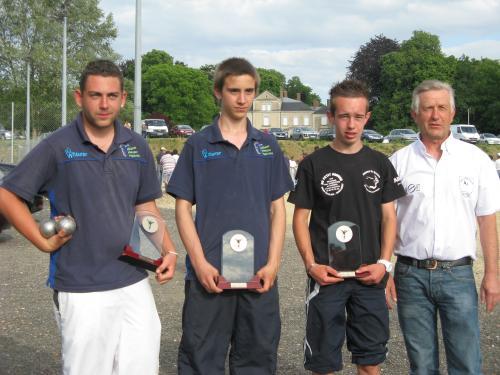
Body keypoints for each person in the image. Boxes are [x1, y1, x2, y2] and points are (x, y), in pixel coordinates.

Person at [0, 60, 177, 375]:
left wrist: (168, 250)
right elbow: (7, 194)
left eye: (112, 95)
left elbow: (146, 209)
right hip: (82, 288)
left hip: (134, 280)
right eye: (96, 95)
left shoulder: (136, 145)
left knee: (143, 368)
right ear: (79, 97)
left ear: (123, 99)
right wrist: (42, 242)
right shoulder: (58, 145)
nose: (104, 104)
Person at [167, 57, 293, 374]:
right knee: (200, 361)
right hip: (209, 275)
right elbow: (183, 209)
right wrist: (199, 263)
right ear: (218, 92)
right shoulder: (198, 144)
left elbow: (279, 209)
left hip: (259, 275)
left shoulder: (268, 146)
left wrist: (274, 263)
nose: (242, 99)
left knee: (257, 361)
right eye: (234, 90)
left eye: (249, 91)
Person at [288, 79, 405, 375]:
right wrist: (311, 264)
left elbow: (390, 218)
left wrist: (384, 264)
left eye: (357, 116)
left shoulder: (380, 164)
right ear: (331, 116)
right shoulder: (313, 164)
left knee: (369, 362)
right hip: (328, 277)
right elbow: (300, 219)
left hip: (370, 278)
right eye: (343, 116)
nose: (351, 124)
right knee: (324, 364)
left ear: (367, 117)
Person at [387, 80, 500, 374]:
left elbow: (487, 220)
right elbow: (386, 223)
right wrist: (385, 269)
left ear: (453, 112)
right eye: (427, 109)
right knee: (421, 365)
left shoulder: (476, 161)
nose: (435, 115)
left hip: (458, 275)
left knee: (466, 361)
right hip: (410, 275)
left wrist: (492, 274)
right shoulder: (398, 162)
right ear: (415, 115)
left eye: (441, 108)